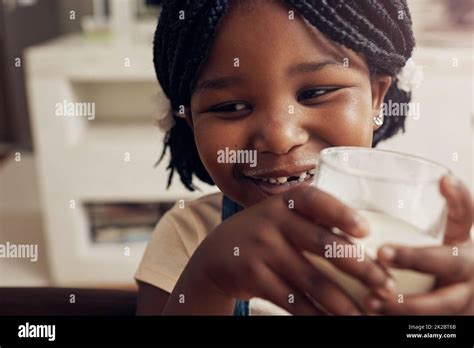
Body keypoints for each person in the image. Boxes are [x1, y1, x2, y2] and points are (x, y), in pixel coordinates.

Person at [135, 0, 473, 315]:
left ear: (376, 98)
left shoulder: (420, 235)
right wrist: (209, 279)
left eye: (315, 94)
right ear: (191, 122)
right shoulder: (188, 235)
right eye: (231, 107)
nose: (281, 139)